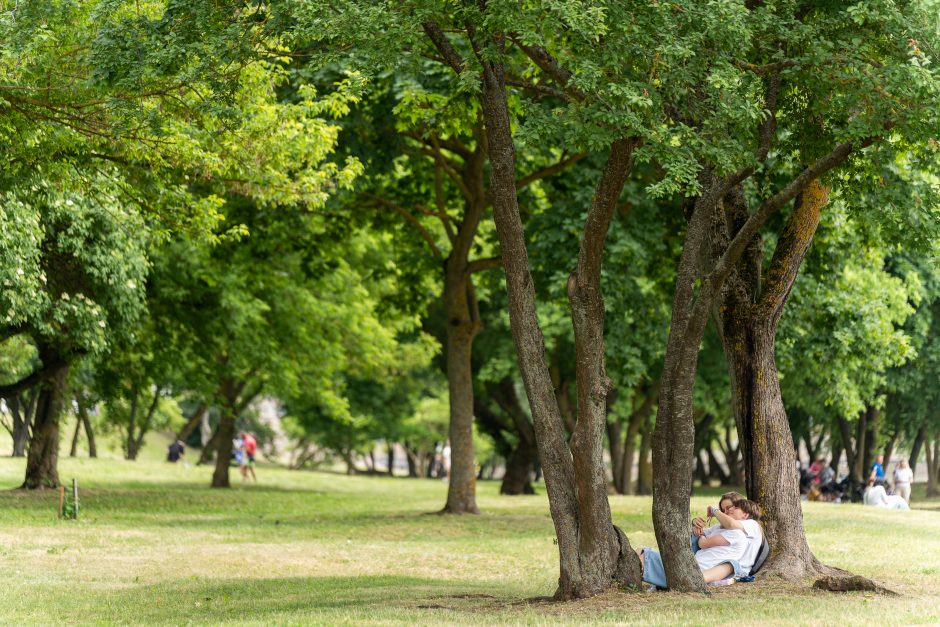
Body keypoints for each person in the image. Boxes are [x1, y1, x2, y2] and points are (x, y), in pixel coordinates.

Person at [640, 496, 763, 588]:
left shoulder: (750, 525)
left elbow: (729, 525)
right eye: (723, 510)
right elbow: (700, 534)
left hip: (733, 567)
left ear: (745, 514)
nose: (726, 513)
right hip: (705, 563)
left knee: (643, 554)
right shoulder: (723, 528)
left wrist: (715, 511)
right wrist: (695, 525)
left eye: (731, 508)